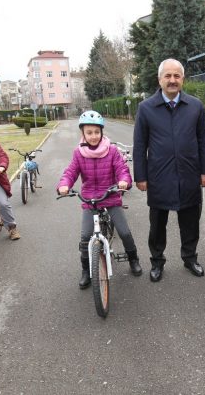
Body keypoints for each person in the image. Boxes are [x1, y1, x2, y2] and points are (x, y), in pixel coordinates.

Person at [133, 58, 205, 282]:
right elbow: (140, 145)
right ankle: (157, 262)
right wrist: (140, 176)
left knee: (190, 223)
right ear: (160, 80)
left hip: (189, 175)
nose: (172, 80)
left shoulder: (195, 106)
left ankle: (190, 258)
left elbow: (203, 141)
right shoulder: (146, 108)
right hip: (158, 177)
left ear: (183, 79)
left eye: (176, 76)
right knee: (157, 225)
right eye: (167, 76)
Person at [57, 111, 142, 289]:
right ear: (83, 134)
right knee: (85, 236)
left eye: (97, 132)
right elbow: (71, 172)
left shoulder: (111, 150)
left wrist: (124, 181)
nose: (93, 136)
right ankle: (86, 271)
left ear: (102, 132)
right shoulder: (78, 153)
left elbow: (121, 168)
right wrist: (64, 185)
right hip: (90, 200)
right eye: (89, 132)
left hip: (110, 196)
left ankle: (133, 259)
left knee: (124, 231)